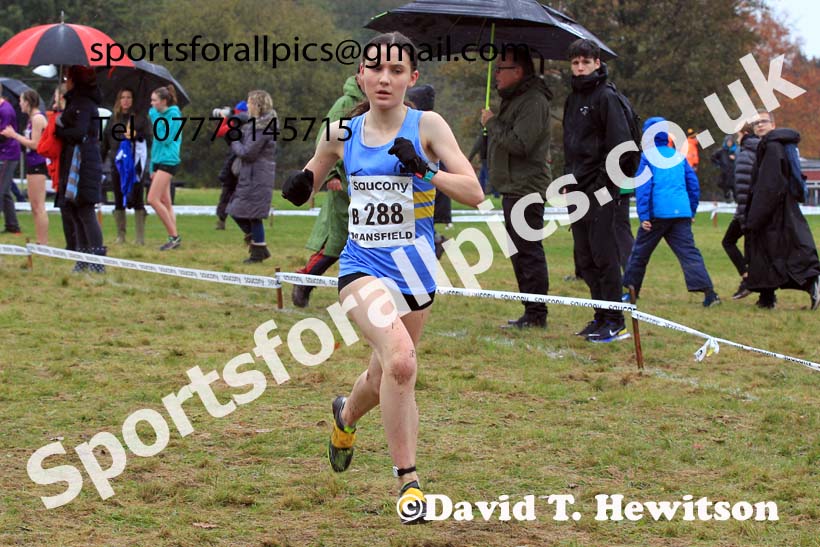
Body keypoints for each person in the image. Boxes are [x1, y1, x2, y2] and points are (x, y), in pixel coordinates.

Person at [281, 31, 483, 523]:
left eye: (397, 70)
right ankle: (408, 482)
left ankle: (345, 415)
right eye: (375, 68)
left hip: (414, 271)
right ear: (361, 76)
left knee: (383, 375)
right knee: (402, 363)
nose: (385, 78)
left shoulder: (428, 125)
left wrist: (425, 171)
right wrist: (300, 184)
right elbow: (311, 175)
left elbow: (475, 192)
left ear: (412, 78)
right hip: (361, 268)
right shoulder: (341, 131)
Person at [563, 38, 631, 342]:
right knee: (585, 258)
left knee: (605, 257)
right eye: (575, 62)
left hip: (602, 191)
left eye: (585, 62)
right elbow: (571, 146)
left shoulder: (607, 97)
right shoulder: (572, 99)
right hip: (576, 190)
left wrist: (604, 184)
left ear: (597, 63)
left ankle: (615, 319)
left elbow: (623, 147)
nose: (580, 68)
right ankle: (599, 315)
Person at [481, 45, 552, 329]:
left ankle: (537, 314)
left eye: (501, 68)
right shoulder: (514, 99)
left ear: (518, 71)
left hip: (527, 188)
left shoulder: (533, 102)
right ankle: (531, 311)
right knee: (519, 250)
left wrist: (493, 123)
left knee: (528, 250)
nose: (496, 74)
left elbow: (521, 144)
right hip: (513, 186)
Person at [621, 117, 720, 306]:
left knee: (640, 255)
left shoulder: (647, 157)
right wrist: (691, 211)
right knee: (689, 253)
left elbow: (643, 189)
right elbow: (693, 186)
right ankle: (709, 294)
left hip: (657, 215)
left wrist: (644, 216)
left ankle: (631, 292)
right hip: (681, 214)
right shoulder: (679, 157)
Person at [292, 74, 364, 307]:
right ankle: (304, 279)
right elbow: (325, 142)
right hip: (341, 184)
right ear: (361, 73)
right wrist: (331, 175)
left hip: (363, 184)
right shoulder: (344, 104)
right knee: (337, 240)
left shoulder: (377, 103)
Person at [744, 109, 820, 310]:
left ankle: (811, 283)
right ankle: (766, 297)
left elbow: (770, 183)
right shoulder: (771, 145)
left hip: (774, 210)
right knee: (768, 253)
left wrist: (756, 214)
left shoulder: (772, 147)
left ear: (773, 125)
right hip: (779, 207)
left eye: (763, 121)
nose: (759, 125)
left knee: (776, 252)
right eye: (755, 123)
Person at [54, 65, 106, 273]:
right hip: (73, 161)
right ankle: (82, 257)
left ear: (76, 80)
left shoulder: (84, 104)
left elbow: (79, 132)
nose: (65, 81)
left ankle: (96, 259)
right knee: (74, 211)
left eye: (68, 77)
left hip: (84, 162)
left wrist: (60, 129)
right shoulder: (74, 103)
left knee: (85, 210)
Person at [226, 90, 277, 263]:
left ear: (257, 105)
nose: (247, 106)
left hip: (257, 176)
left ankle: (258, 251)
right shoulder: (257, 125)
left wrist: (234, 141)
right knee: (243, 212)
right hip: (252, 175)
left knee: (248, 213)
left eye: (249, 103)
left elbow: (248, 152)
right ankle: (259, 248)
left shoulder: (262, 129)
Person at [101, 88, 152, 245]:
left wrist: (137, 135)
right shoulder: (113, 119)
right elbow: (105, 141)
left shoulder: (141, 118)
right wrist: (100, 160)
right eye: (122, 97)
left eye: (129, 97)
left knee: (137, 197)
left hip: (135, 163)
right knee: (118, 197)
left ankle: (139, 237)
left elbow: (150, 139)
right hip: (117, 163)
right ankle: (121, 235)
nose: (126, 100)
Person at [1, 89, 49, 243]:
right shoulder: (31, 119)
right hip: (31, 163)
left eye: (21, 101)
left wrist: (14, 135)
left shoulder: (37, 118)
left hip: (38, 164)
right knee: (34, 205)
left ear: (28, 102)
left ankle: (43, 242)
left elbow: (35, 144)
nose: (20, 104)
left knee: (39, 206)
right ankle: (39, 240)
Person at [722, 126, 757, 299]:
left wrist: (742, 216)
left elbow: (743, 187)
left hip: (746, 211)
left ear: (745, 134)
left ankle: (748, 278)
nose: (736, 138)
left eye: (738, 135)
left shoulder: (744, 154)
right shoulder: (759, 150)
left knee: (728, 242)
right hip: (754, 209)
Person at [146, 85, 182, 251]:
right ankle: (174, 236)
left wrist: (156, 120)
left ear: (163, 101)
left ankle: (174, 236)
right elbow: (155, 143)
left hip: (169, 160)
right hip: (159, 160)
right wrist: (152, 166)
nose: (151, 104)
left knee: (152, 199)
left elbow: (166, 138)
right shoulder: (157, 114)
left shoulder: (174, 115)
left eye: (154, 100)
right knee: (166, 202)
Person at [214, 101, 249, 231]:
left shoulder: (237, 122)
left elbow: (220, 132)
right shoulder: (251, 122)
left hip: (235, 162)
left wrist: (224, 119)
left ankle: (222, 219)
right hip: (246, 162)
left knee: (227, 191)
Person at [0, 82, 22, 234]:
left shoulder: (5, 110)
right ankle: (12, 225)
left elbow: (4, 135)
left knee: (1, 189)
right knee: (5, 190)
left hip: (8, 153)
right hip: (3, 152)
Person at [710, 134, 736, 200]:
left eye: (731, 142)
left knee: (734, 187)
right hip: (724, 173)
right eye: (728, 142)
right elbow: (713, 158)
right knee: (725, 187)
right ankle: (727, 198)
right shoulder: (721, 151)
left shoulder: (736, 151)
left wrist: (735, 158)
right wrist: (718, 164)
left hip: (734, 173)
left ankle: (735, 199)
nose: (729, 143)